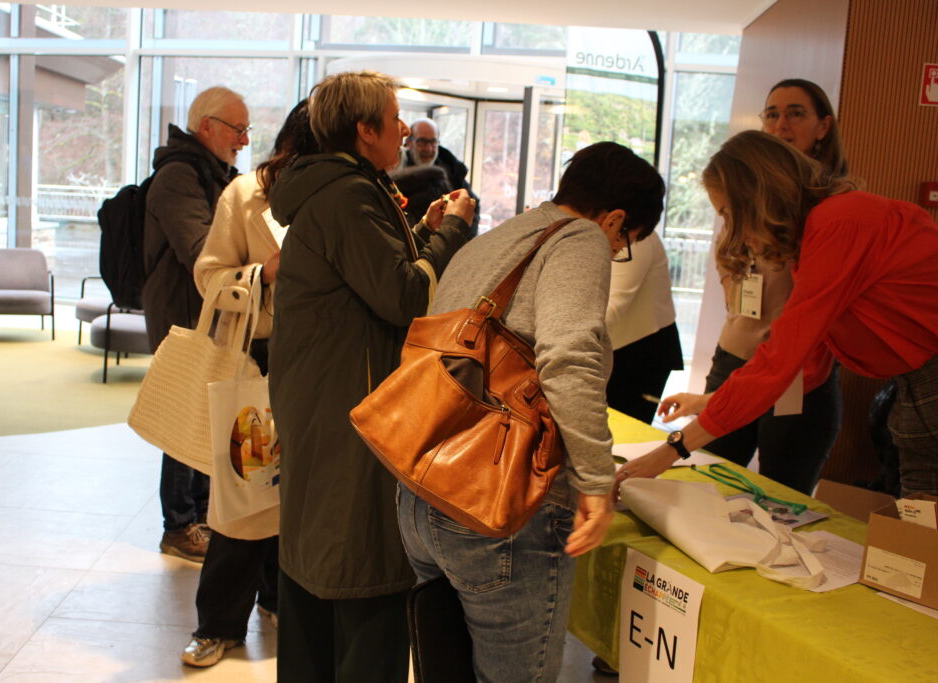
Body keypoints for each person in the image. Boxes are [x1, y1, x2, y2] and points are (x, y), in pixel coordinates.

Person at [397, 142, 666, 683]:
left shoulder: (498, 236)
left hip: (421, 488)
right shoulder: (581, 238)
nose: (614, 252)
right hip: (502, 499)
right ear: (613, 218)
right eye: (624, 241)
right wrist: (594, 480)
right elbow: (569, 358)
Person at [267, 71, 476, 682]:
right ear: (364, 131)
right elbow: (404, 293)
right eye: (393, 117)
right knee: (365, 562)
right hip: (352, 409)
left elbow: (366, 275)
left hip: (324, 397)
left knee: (315, 555)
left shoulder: (336, 189)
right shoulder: (348, 195)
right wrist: (453, 233)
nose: (404, 127)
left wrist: (423, 233)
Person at [616, 130, 938, 500]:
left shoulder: (839, 223)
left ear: (756, 198)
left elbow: (784, 358)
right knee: (918, 496)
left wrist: (671, 450)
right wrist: (713, 402)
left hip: (927, 375)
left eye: (727, 212)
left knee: (922, 501)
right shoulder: (824, 229)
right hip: (914, 377)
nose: (730, 229)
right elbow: (807, 360)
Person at [179, 100, 317, 668]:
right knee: (244, 497)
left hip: (320, 368)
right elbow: (209, 273)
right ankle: (218, 624)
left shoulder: (353, 197)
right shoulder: (246, 194)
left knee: (301, 498)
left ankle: (280, 598)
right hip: (261, 363)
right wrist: (266, 274)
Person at [698, 78, 848, 494]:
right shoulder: (741, 187)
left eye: (796, 113)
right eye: (773, 113)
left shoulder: (828, 209)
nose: (782, 123)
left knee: (780, 496)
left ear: (822, 127)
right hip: (733, 358)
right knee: (708, 483)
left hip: (798, 373)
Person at [142, 86, 249, 562]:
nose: (244, 140)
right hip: (182, 314)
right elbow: (202, 253)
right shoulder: (178, 176)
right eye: (237, 129)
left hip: (204, 312)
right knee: (186, 418)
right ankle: (179, 525)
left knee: (207, 418)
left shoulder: (216, 174)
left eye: (248, 130)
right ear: (206, 126)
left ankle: (203, 516)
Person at [604, 230, 684, 424]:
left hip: (641, 351)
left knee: (623, 431)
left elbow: (614, 305)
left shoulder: (638, 239)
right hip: (608, 343)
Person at [404, 117, 481, 234]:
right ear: (409, 143)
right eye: (422, 142)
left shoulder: (452, 171)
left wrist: (462, 239)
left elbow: (472, 205)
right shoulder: (395, 171)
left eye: (433, 142)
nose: (429, 149)